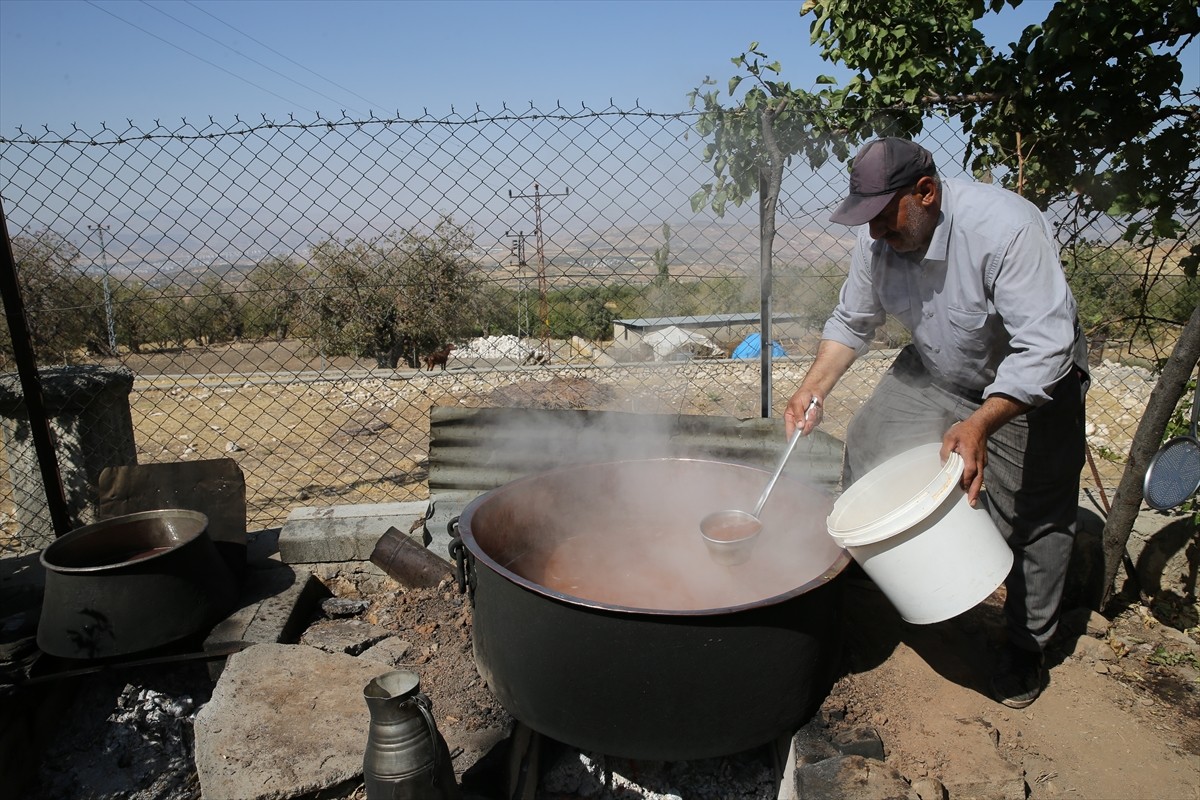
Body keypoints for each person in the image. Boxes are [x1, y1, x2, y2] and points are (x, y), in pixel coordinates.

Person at [785, 137, 1089, 709]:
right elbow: (853, 320)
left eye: (883, 218)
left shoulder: (1007, 229)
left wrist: (980, 425)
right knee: (869, 439)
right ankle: (864, 581)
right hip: (936, 371)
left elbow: (1047, 351)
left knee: (1035, 513)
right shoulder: (878, 234)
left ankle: (1026, 645)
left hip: (1027, 389)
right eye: (866, 219)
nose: (875, 233)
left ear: (925, 193)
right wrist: (812, 388)